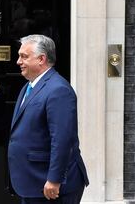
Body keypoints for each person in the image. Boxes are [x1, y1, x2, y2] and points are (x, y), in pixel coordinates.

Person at [8, 34, 89, 204]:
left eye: (24, 56)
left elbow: (62, 139)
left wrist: (54, 179)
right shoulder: (29, 86)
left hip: (51, 186)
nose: (18, 61)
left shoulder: (58, 90)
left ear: (41, 59)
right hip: (32, 181)